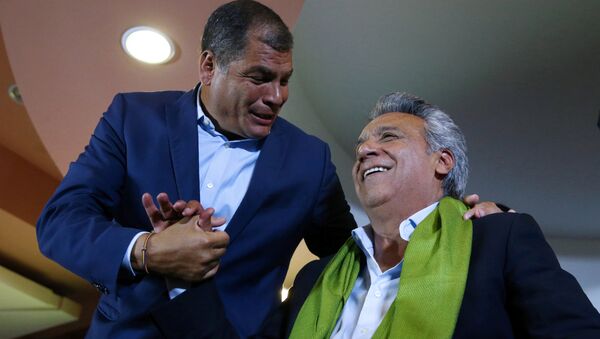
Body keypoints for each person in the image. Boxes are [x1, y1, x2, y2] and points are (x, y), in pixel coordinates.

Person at [36, 1, 499, 338]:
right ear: (209, 66)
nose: (277, 96)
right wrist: (147, 250)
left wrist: (462, 227)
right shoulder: (132, 118)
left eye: (285, 80)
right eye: (259, 78)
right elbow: (61, 222)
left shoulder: (308, 160)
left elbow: (354, 252)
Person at [281, 92, 600, 338]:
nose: (364, 150)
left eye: (389, 136)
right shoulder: (314, 277)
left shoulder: (499, 240)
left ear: (443, 161)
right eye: (361, 144)